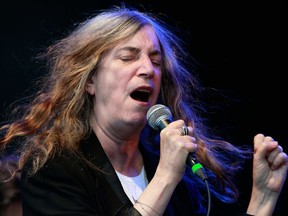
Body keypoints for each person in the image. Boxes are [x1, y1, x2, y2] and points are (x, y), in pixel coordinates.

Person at [0, 5, 287, 216]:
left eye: (156, 60)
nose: (148, 70)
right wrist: (164, 176)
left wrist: (262, 200)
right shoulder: (53, 169)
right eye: (128, 57)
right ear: (89, 80)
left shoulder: (177, 174)